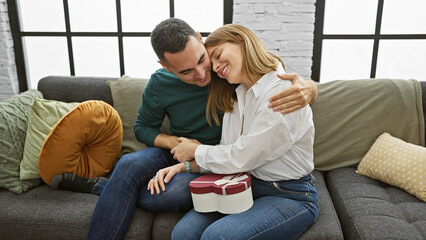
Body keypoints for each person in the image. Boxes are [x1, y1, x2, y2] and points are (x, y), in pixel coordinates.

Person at [51, 18, 318, 239]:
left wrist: (310, 88)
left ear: (202, 40)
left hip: (239, 171)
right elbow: (144, 127)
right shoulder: (228, 88)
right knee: (131, 169)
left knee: (181, 197)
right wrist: (180, 152)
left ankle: (109, 189)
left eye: (206, 59)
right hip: (211, 164)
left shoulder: (233, 77)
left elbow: (264, 65)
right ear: (166, 67)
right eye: (186, 71)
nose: (204, 73)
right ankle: (115, 187)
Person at [150, 24, 319, 240]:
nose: (216, 66)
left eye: (219, 55)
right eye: (214, 64)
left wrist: (196, 150)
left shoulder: (283, 92)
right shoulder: (237, 95)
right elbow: (227, 152)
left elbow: (242, 156)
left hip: (290, 195)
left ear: (240, 39)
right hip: (244, 185)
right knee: (183, 234)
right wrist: (183, 167)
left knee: (217, 236)